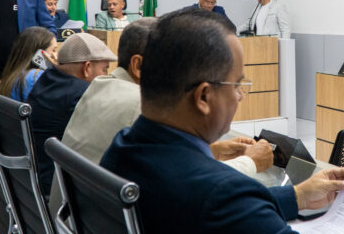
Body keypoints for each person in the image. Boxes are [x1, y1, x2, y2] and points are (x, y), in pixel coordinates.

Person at [100, 8, 344, 234]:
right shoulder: (220, 192)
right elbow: (223, 203)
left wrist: (296, 196)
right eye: (237, 85)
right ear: (204, 97)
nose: (240, 96)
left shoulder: (123, 146)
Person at [48, 17, 273, 212]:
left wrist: (211, 152)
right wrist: (250, 162)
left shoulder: (100, 86)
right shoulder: (142, 106)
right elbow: (188, 187)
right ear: (139, 66)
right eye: (173, 64)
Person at [25, 32, 116, 196]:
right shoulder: (83, 93)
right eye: (104, 69)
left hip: (34, 180)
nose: (107, 76)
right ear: (87, 68)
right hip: (58, 190)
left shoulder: (46, 79)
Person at [0, 26, 57, 102]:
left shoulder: (14, 75)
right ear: (40, 54)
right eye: (54, 50)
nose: (56, 55)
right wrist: (58, 71)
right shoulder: (36, 76)